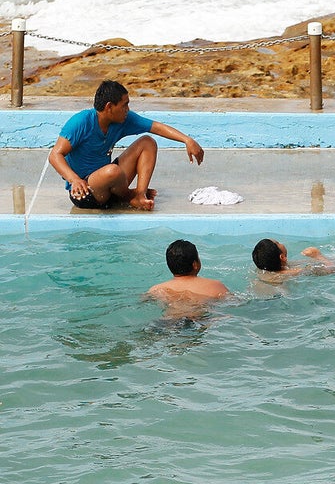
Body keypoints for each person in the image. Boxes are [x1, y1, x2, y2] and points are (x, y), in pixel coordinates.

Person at [48, 80, 204, 211]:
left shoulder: (123, 120)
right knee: (112, 171)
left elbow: (156, 127)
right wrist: (74, 179)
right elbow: (55, 155)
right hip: (86, 191)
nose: (127, 110)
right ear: (109, 107)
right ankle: (130, 196)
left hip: (112, 184)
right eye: (124, 105)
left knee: (147, 142)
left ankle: (140, 195)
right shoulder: (81, 121)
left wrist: (187, 140)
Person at [146, 240, 231, 314]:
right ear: (195, 264)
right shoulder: (215, 285)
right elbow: (235, 303)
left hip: (165, 323)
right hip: (196, 322)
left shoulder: (155, 289)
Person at [251, 238, 335, 281]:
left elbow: (309, 262)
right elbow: (334, 269)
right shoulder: (294, 272)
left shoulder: (264, 271)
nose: (281, 243)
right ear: (282, 257)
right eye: (278, 243)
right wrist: (318, 256)